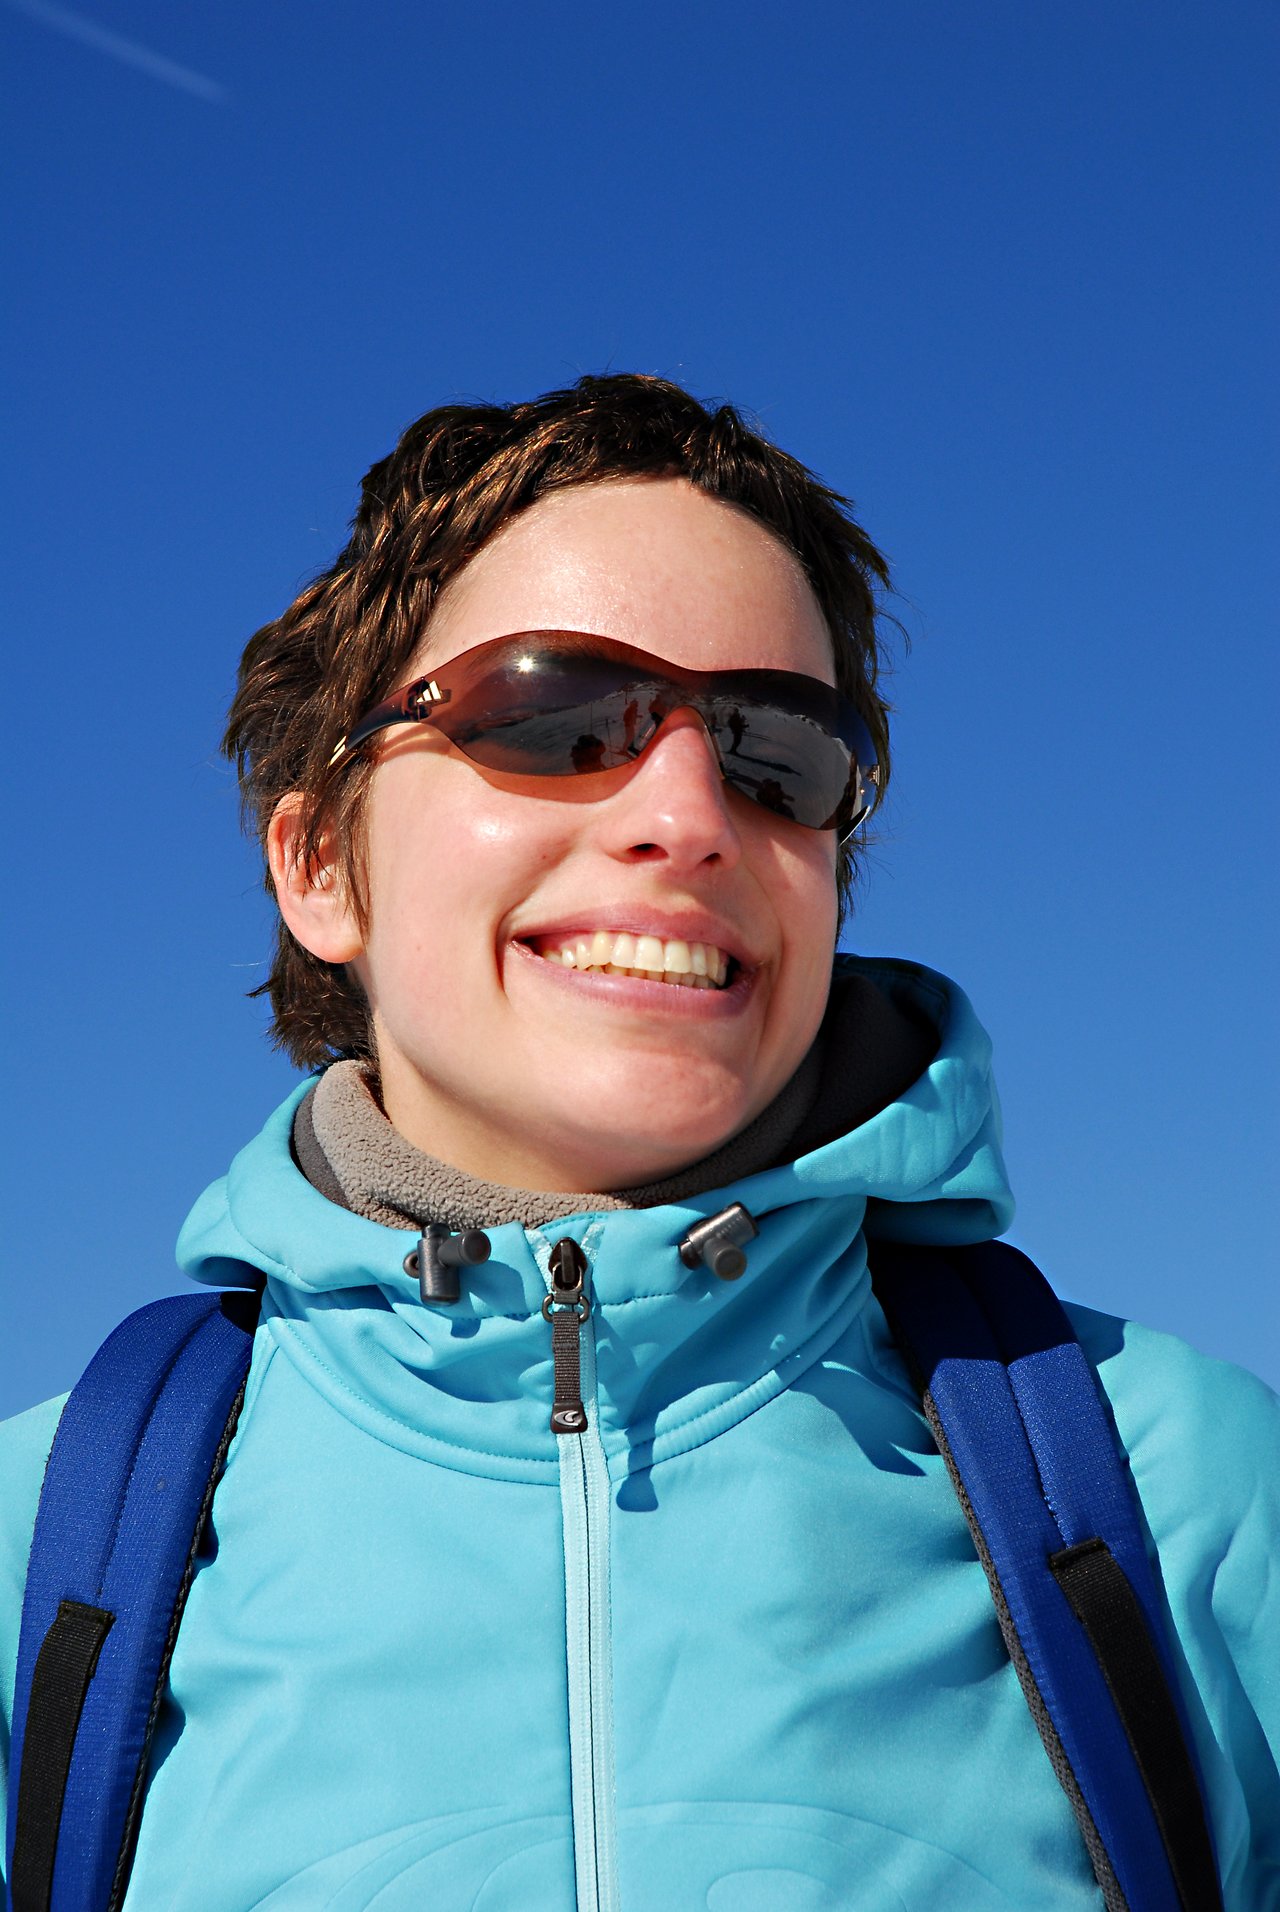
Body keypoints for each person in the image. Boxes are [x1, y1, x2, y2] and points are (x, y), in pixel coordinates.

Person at [1, 374, 1276, 1910]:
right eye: (554, 713)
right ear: (320, 858)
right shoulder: (51, 1542)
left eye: (775, 750)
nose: (688, 813)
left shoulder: (1182, 1489)